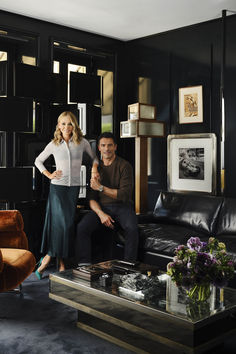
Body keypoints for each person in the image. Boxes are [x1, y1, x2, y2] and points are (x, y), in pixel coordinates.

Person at [34, 111, 98, 279]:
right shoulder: (54, 144)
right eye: (63, 123)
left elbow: (95, 159)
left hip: (73, 189)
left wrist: (95, 169)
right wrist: (49, 174)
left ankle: (50, 259)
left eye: (69, 123)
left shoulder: (82, 143)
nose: (66, 127)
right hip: (57, 189)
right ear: (58, 125)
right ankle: (54, 263)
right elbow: (38, 161)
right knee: (61, 226)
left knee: (65, 226)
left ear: (74, 125)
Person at [75, 132, 139, 266]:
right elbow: (91, 199)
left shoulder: (125, 166)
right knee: (82, 227)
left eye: (110, 145)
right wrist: (101, 214)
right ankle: (85, 266)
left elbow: (124, 195)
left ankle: (129, 267)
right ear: (98, 148)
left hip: (122, 206)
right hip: (101, 207)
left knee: (132, 229)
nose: (107, 149)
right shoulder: (96, 168)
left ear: (115, 147)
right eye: (103, 145)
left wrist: (101, 188)